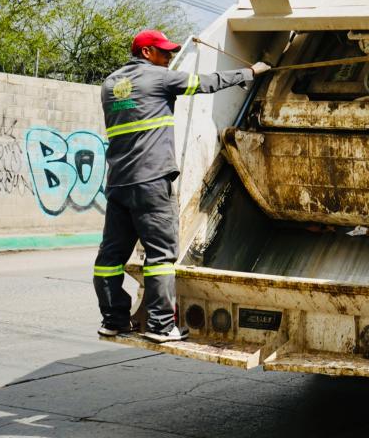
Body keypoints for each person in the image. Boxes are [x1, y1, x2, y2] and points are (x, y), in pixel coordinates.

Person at [94, 30, 270, 343]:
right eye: (163, 53)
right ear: (146, 52)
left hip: (119, 182)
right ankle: (162, 326)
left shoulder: (110, 85)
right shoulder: (159, 78)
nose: (168, 59)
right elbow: (206, 83)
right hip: (152, 182)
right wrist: (250, 72)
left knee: (110, 258)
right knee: (160, 257)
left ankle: (114, 320)